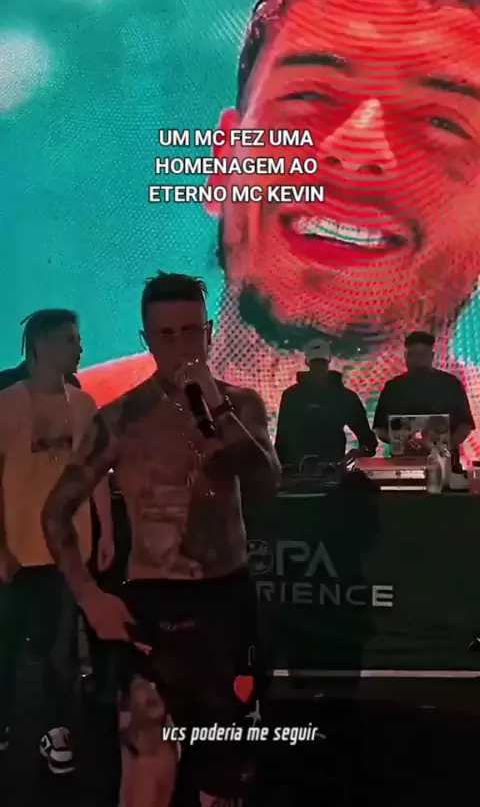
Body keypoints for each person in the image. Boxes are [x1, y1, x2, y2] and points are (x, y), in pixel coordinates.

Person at [76, 0, 480, 467]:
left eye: (440, 124)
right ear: (223, 163)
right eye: (310, 95)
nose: (357, 147)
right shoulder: (62, 431)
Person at [41, 272, 280, 807]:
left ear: (210, 332)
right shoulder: (121, 418)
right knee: (147, 757)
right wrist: (89, 596)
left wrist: (215, 408)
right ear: (146, 339)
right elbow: (55, 512)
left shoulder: (241, 406)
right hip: (154, 602)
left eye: (191, 331)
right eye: (166, 334)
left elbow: (267, 487)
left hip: (226, 601)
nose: (181, 346)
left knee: (224, 773)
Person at [0, 309, 114, 773]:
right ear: (42, 346)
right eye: (70, 340)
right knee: (6, 644)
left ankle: (55, 728)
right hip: (15, 551)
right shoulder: (6, 404)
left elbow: (95, 473)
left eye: (78, 339)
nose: (80, 348)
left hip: (68, 550)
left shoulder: (84, 405)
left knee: (61, 648)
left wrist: (105, 531)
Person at [275, 338, 377, 467]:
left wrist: (359, 452)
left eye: (320, 363)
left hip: (306, 469)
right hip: (322, 468)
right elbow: (369, 443)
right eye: (317, 363)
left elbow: (282, 441)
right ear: (329, 360)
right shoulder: (344, 396)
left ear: (307, 362)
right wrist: (359, 452)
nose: (318, 369)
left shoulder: (292, 395)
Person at [372, 331, 475, 458]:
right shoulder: (393, 387)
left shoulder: (451, 384)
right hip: (403, 462)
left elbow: (465, 425)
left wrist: (447, 447)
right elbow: (380, 428)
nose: (419, 360)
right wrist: (401, 443)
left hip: (445, 461)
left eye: (423, 354)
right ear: (406, 356)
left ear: (432, 356)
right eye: (414, 355)